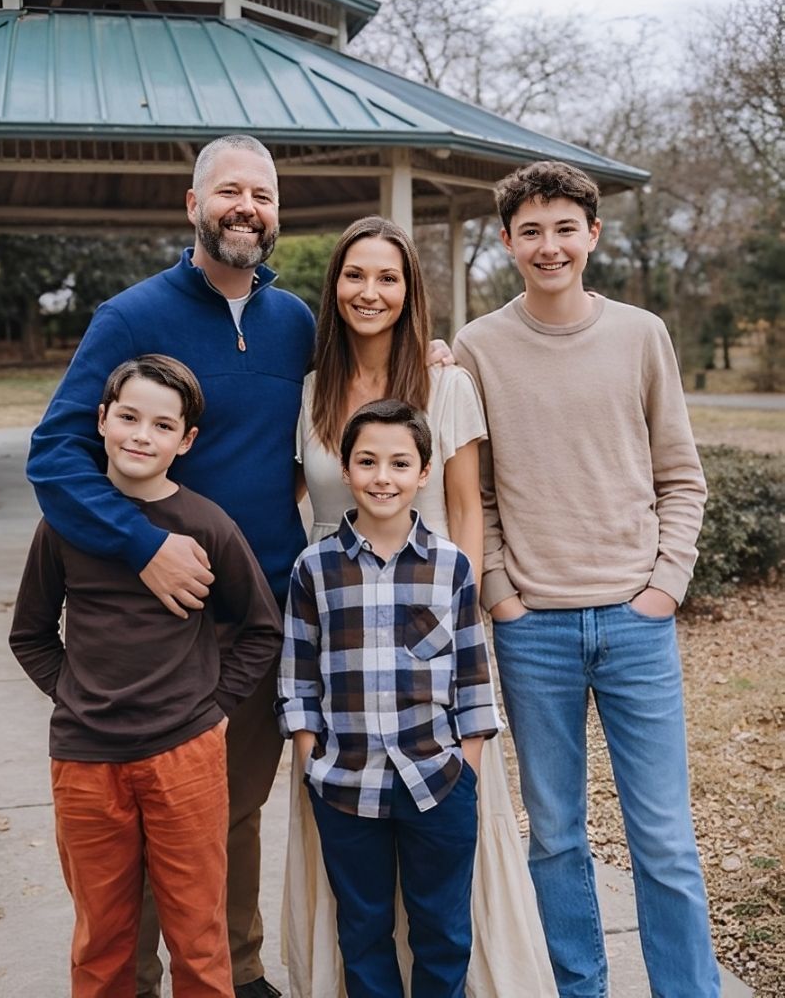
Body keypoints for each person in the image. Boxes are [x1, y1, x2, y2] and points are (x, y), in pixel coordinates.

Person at [26, 134, 315, 998]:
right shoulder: (132, 316)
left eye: (262, 196)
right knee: (150, 821)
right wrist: (142, 544)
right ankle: (137, 979)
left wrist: (434, 358)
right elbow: (55, 455)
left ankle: (238, 965)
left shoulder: (295, 321)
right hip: (161, 618)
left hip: (259, 613)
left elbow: (354, 395)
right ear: (192, 204)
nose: (247, 209)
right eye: (229, 192)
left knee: (230, 810)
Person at [453, 160, 720, 998]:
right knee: (558, 836)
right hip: (535, 630)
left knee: (666, 838)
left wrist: (665, 585)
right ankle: (581, 989)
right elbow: (479, 490)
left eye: (565, 228)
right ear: (506, 242)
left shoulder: (641, 334)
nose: (549, 245)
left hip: (638, 622)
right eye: (530, 230)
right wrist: (500, 593)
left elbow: (681, 474)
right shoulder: (479, 346)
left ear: (593, 235)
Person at [286, 216, 556, 997]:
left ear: (411, 293)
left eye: (388, 278)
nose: (370, 292)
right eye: (355, 275)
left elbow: (467, 511)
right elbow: (300, 499)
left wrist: (453, 634)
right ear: (334, 285)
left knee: (444, 877)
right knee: (359, 892)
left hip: (433, 646)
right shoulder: (311, 391)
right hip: (341, 649)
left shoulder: (448, 383)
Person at [10, 354, 282, 998]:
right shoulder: (65, 527)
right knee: (102, 938)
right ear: (101, 421)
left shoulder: (207, 525)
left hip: (184, 754)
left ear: (184, 441)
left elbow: (261, 627)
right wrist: (75, 694)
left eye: (162, 425)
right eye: (128, 417)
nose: (140, 435)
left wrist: (210, 706)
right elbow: (30, 634)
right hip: (85, 758)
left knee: (197, 931)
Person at [278, 399, 503, 998]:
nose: (383, 476)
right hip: (346, 784)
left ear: (423, 473)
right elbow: (298, 678)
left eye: (400, 463)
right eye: (368, 461)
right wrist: (312, 763)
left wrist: (467, 771)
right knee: (364, 929)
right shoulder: (313, 569)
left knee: (443, 932)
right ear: (345, 470)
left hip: (438, 781)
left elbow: (474, 680)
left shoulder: (451, 567)